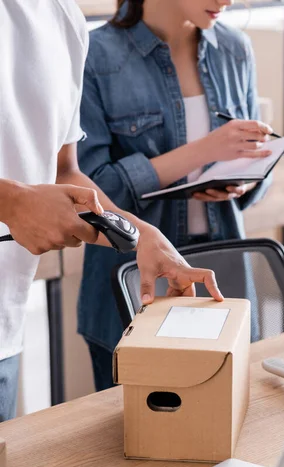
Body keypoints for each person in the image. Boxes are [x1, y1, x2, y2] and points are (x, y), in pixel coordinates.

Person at [0, 0, 222, 422]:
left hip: (5, 331)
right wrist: (11, 201)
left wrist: (142, 236)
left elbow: (66, 171)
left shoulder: (63, 17)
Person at [78, 0, 273, 390]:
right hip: (133, 278)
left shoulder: (234, 49)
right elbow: (92, 192)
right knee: (134, 436)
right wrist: (204, 151)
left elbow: (254, 164)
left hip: (224, 268)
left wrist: (244, 181)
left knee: (229, 427)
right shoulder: (93, 54)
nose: (227, 1)